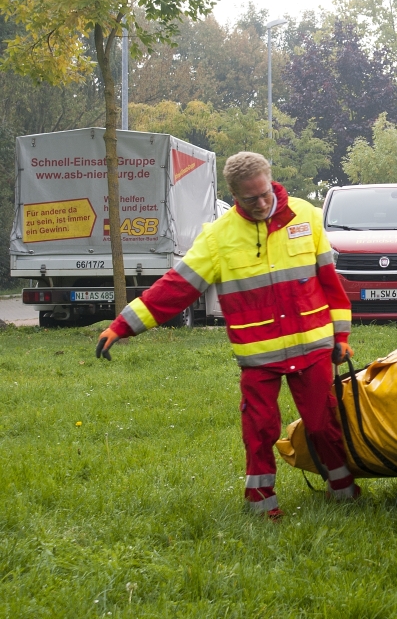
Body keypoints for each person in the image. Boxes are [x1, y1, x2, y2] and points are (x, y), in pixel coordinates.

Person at [94, 151, 359, 520]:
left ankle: (345, 492)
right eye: (251, 199)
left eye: (265, 193)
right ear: (234, 195)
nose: (262, 203)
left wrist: (341, 336)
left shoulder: (308, 217)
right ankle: (261, 504)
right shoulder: (218, 237)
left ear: (271, 180)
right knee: (259, 430)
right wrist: (122, 326)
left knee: (323, 424)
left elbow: (331, 285)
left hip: (313, 346)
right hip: (259, 356)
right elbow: (177, 286)